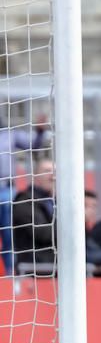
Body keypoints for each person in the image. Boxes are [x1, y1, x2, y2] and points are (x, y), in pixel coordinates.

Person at [0, 116, 47, 275]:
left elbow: (33, 145)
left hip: (6, 189)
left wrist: (40, 131)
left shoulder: (10, 134)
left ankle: (10, 273)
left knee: (9, 235)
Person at [11, 156, 56, 275]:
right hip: (33, 269)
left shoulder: (57, 202)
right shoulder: (24, 201)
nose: (52, 176)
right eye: (47, 171)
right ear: (35, 175)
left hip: (55, 266)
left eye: (54, 172)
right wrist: (71, 226)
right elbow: (42, 233)